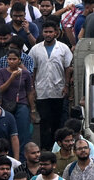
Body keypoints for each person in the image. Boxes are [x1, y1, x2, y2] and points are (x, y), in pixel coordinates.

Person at [29, 19, 73, 152]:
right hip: (42, 90)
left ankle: (58, 149)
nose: (47, 34)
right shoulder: (35, 49)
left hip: (59, 90)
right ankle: (45, 149)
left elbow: (68, 68)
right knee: (44, 121)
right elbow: (33, 70)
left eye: (50, 32)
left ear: (56, 33)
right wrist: (33, 88)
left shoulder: (63, 48)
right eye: (45, 32)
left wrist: (66, 86)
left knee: (58, 121)